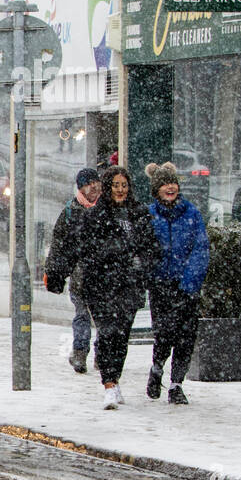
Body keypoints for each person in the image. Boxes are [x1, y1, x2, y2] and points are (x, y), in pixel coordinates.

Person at [45, 166, 161, 410]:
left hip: (129, 285)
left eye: (124, 185)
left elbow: (151, 248)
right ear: (108, 188)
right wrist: (57, 273)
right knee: (107, 333)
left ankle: (115, 377)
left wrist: (144, 266)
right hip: (100, 285)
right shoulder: (94, 216)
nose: (120, 190)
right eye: (115, 185)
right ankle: (108, 383)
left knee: (121, 336)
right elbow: (73, 247)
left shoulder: (138, 214)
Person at [145, 161, 210, 405]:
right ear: (156, 189)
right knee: (164, 333)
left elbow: (200, 249)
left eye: (172, 183)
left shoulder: (192, 214)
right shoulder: (149, 215)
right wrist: (152, 274)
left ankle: (176, 384)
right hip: (161, 284)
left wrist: (190, 282)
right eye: (164, 184)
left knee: (185, 336)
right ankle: (157, 368)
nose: (169, 187)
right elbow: (145, 250)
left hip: (186, 287)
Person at [46, 167, 102, 374]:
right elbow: (58, 243)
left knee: (103, 318)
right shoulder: (71, 210)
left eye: (96, 182)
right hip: (80, 274)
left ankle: (101, 355)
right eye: (89, 184)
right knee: (82, 315)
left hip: (105, 274)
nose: (94, 187)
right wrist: (54, 272)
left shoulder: (106, 208)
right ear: (81, 188)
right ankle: (80, 352)